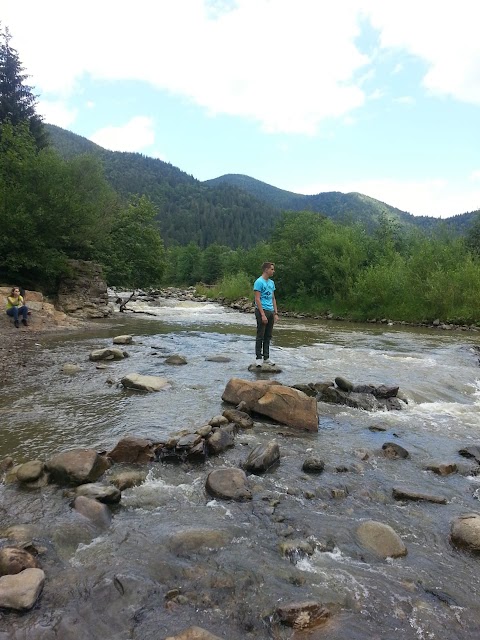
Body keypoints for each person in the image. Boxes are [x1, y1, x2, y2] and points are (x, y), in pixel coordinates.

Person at [253, 262, 279, 367]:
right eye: (272, 269)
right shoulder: (259, 282)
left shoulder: (271, 283)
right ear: (266, 270)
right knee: (260, 335)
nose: (273, 271)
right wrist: (262, 314)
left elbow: (273, 298)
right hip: (261, 310)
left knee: (268, 335)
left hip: (270, 311)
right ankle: (258, 358)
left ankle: (266, 357)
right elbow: (257, 298)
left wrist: (275, 313)